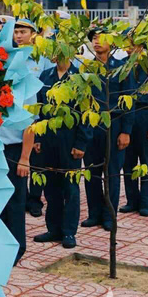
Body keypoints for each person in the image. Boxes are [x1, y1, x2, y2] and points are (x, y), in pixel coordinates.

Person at [33, 59, 90, 249]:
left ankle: (69, 232)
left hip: (70, 140)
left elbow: (86, 113)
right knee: (51, 188)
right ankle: (54, 228)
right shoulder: (46, 75)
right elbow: (39, 109)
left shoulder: (80, 77)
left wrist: (81, 143)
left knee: (71, 189)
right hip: (49, 139)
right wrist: (38, 138)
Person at [81, 28, 134, 232]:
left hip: (115, 124)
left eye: (101, 38)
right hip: (91, 126)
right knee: (92, 171)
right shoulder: (87, 69)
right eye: (93, 38)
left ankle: (109, 215)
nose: (97, 42)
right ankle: (94, 213)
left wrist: (126, 131)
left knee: (112, 172)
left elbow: (129, 100)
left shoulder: (121, 68)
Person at [0, 22, 39, 264]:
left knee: (15, 201)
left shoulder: (25, 86)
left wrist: (25, 158)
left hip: (14, 151)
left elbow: (30, 125)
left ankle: (16, 248)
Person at [13, 18, 53, 217]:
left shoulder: (41, 59)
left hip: (37, 118)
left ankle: (35, 200)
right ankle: (23, 196)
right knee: (19, 163)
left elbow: (48, 91)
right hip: (15, 120)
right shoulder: (11, 57)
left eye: (23, 32)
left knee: (36, 161)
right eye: (16, 32)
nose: (19, 36)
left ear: (33, 34)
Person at [121, 50, 148, 217]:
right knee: (128, 162)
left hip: (145, 115)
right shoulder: (122, 65)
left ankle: (145, 202)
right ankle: (132, 200)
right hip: (127, 115)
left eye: (137, 44)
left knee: (147, 161)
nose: (132, 48)